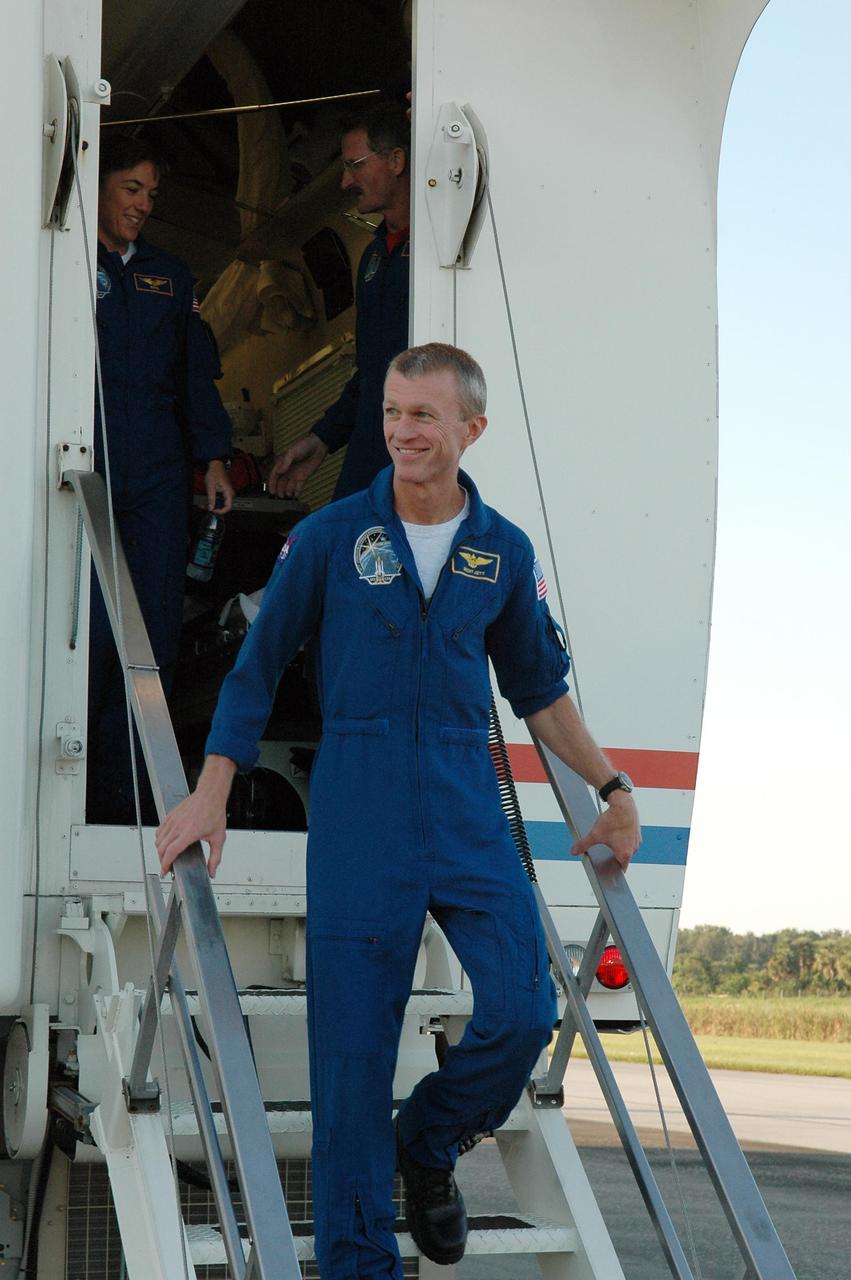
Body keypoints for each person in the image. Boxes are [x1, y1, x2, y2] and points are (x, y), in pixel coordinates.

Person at [156, 344, 640, 1277]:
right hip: (361, 810)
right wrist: (212, 787)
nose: (401, 432)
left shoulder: (502, 550)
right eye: (390, 412)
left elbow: (539, 691)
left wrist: (613, 789)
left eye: (423, 416)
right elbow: (255, 673)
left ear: (470, 429)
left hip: (466, 805)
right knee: (349, 1067)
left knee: (521, 1011)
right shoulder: (332, 537)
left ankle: (422, 1144)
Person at [87, 134, 234, 824]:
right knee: (79, 624)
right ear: (99, 186)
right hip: (78, 462)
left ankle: (133, 791)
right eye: (130, 189)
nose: (143, 205)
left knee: (151, 631)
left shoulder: (171, 278)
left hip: (155, 474)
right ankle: (75, 781)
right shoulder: (57, 262)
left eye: (151, 194)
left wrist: (213, 459)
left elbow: (194, 379)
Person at [267, 102, 411, 502]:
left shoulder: (440, 252)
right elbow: (371, 371)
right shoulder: (375, 255)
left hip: (422, 454)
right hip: (372, 450)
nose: (346, 181)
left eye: (356, 165)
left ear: (396, 161)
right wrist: (322, 439)